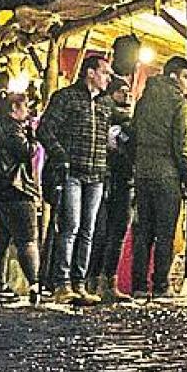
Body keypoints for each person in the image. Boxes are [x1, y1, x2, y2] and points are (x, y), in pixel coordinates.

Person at [37, 50, 118, 305]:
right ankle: (62, 284)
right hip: (71, 172)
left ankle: (79, 283)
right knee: (70, 227)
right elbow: (45, 130)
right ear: (90, 73)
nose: (108, 78)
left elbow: (105, 137)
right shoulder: (66, 98)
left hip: (96, 174)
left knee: (88, 230)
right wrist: (62, 157)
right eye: (104, 73)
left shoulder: (106, 104)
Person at [128, 55, 187, 301]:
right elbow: (183, 144)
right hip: (167, 173)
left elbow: (133, 132)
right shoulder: (179, 103)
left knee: (144, 229)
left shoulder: (145, 99)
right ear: (174, 75)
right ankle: (160, 284)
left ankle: (138, 284)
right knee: (165, 232)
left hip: (143, 173)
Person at [0, 89, 43, 306]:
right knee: (27, 239)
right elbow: (27, 152)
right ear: (15, 109)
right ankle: (35, 285)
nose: (28, 112)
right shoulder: (11, 128)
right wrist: (33, 135)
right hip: (13, 189)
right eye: (25, 107)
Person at [87, 40, 138, 303]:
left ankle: (109, 281)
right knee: (100, 232)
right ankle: (92, 279)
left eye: (129, 93)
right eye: (121, 92)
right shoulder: (104, 116)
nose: (126, 96)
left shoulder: (132, 124)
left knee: (117, 233)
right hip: (104, 180)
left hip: (124, 181)